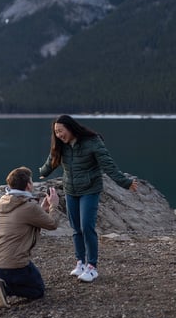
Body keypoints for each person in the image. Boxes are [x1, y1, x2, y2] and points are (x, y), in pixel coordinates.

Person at [39, 114, 137, 283]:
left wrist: (125, 182)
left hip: (90, 189)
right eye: (56, 132)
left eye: (61, 131)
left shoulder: (92, 141)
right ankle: (80, 263)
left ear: (70, 128)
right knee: (76, 228)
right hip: (71, 190)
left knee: (87, 226)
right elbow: (52, 160)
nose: (59, 135)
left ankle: (92, 266)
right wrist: (43, 172)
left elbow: (108, 164)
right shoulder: (61, 145)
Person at [0, 166, 60, 307]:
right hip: (12, 263)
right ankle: (5, 288)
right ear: (28, 185)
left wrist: (41, 210)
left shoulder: (2, 202)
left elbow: (23, 218)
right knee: (38, 290)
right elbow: (52, 224)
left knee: (31, 277)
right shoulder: (29, 207)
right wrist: (53, 206)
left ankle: (9, 280)